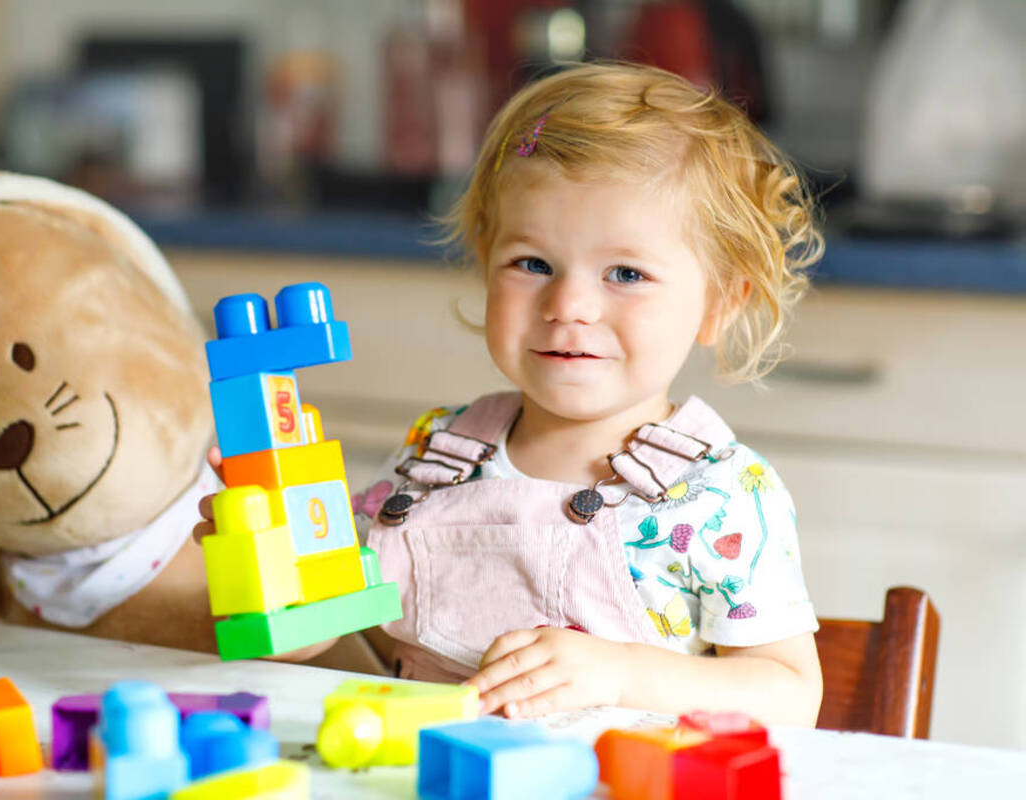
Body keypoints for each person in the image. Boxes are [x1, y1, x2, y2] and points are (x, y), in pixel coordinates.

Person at [198, 62, 824, 726]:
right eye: (533, 264)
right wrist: (274, 581)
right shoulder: (436, 454)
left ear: (720, 305)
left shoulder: (723, 494)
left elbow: (791, 695)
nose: (569, 303)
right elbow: (340, 630)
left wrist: (619, 673)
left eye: (625, 273)